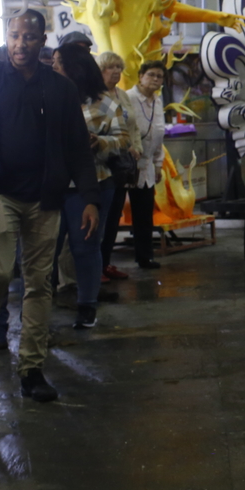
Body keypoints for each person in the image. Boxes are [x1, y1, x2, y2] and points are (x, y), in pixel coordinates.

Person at [0, 10, 99, 403]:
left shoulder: (59, 89)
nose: (20, 44)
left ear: (42, 40)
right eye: (14, 36)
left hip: (44, 200)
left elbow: (78, 148)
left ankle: (31, 370)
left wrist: (89, 198)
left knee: (39, 284)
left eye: (28, 37)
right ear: (7, 37)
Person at [53, 46, 127, 329]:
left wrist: (101, 142)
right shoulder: (50, 97)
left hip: (94, 185)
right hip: (53, 186)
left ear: (76, 68)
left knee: (85, 247)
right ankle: (35, 310)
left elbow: (124, 139)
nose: (54, 68)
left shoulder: (105, 104)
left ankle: (87, 305)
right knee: (45, 250)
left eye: (60, 64)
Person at [97, 51, 142, 279]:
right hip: (104, 163)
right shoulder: (95, 96)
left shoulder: (123, 96)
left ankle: (106, 262)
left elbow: (133, 127)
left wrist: (136, 147)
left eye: (118, 67)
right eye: (110, 67)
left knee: (115, 216)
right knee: (102, 217)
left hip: (123, 164)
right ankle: (96, 266)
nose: (115, 71)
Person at [126, 60, 167, 270]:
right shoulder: (128, 98)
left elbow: (159, 134)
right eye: (151, 75)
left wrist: (158, 164)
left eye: (159, 76)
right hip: (126, 166)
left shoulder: (158, 101)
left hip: (148, 167)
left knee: (144, 214)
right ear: (140, 76)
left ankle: (145, 256)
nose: (155, 80)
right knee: (117, 213)